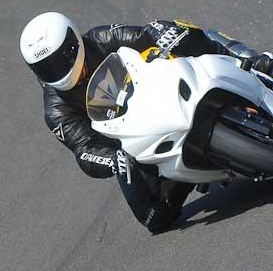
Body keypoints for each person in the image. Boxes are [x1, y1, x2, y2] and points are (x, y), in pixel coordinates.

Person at [20, 13, 273, 233]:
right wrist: (112, 160)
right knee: (155, 217)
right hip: (141, 144)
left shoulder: (101, 38)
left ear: (73, 43)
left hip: (158, 91)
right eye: (46, 68)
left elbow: (142, 34)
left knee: (187, 36)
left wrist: (162, 34)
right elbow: (83, 149)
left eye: (58, 60)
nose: (56, 71)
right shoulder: (56, 111)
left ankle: (248, 64)